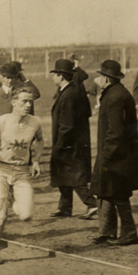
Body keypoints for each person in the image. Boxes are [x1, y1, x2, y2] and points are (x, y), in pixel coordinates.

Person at [0, 88, 43, 264]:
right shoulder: (1, 121)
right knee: (1, 215)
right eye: (24, 101)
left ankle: (15, 200)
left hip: (21, 172)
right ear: (14, 103)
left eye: (30, 101)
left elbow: (40, 140)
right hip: (0, 170)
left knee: (26, 215)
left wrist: (36, 161)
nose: (28, 105)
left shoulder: (35, 122)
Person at [90, 61, 138, 246]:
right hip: (116, 152)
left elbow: (116, 131)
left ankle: (129, 232)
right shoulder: (114, 93)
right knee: (108, 192)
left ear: (106, 78)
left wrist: (106, 156)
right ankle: (107, 231)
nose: (98, 79)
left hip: (118, 155)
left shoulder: (115, 97)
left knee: (119, 194)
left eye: (100, 76)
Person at [48, 59, 98, 219]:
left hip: (69, 143)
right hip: (71, 141)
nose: (52, 77)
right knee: (63, 173)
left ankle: (92, 204)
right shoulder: (69, 91)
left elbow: (67, 125)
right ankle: (65, 207)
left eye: (54, 74)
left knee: (73, 174)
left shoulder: (69, 94)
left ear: (61, 76)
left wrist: (59, 145)